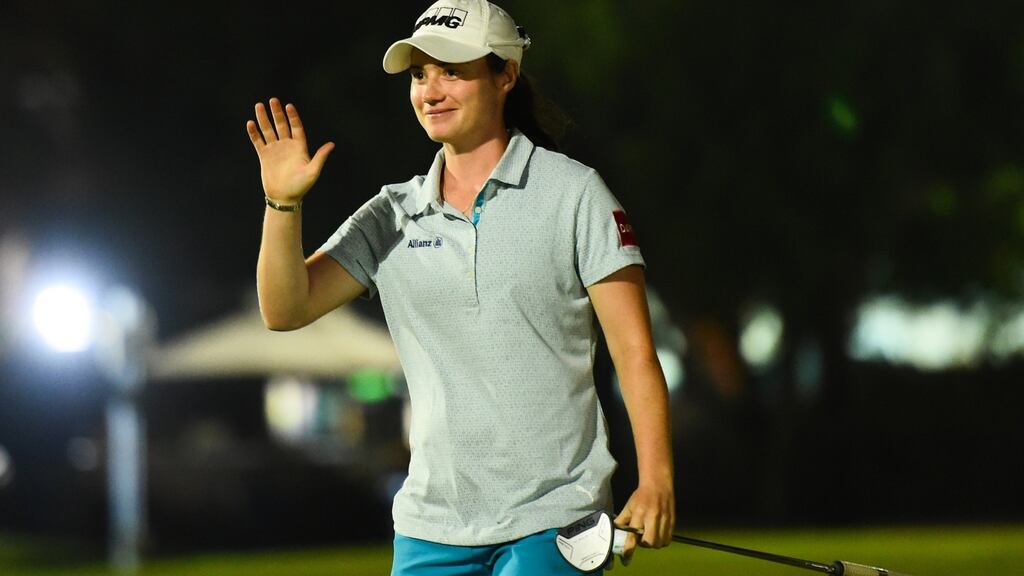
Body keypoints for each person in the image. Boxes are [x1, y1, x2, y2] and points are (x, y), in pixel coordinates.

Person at [246, 1, 674, 573]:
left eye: (452, 71)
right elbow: (284, 307)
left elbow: (635, 354)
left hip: (557, 519)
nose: (431, 90)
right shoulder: (392, 213)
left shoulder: (574, 194)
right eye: (420, 74)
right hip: (432, 525)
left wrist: (656, 481)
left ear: (506, 76)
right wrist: (283, 203)